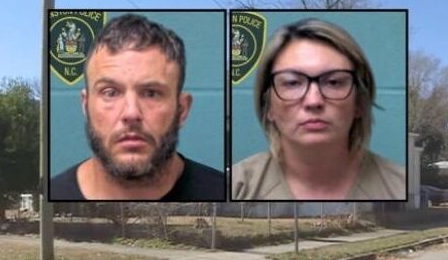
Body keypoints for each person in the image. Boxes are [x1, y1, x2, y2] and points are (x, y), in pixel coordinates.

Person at [50, 13, 225, 201]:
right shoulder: (52, 194)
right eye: (110, 92)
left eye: (151, 93)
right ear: (86, 105)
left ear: (182, 109)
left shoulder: (223, 191)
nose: (131, 113)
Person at [232, 18, 406, 200]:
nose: (313, 101)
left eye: (334, 82)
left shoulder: (401, 187)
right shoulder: (236, 186)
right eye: (292, 83)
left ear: (359, 103)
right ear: (269, 106)